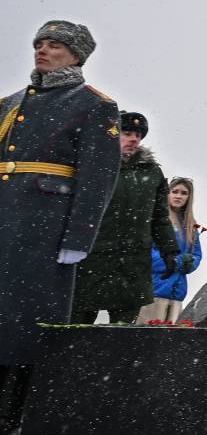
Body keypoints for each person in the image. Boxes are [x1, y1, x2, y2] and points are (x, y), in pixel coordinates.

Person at [0, 22, 123, 435]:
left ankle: (14, 419)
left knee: (28, 325)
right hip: (4, 224)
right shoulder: (9, 103)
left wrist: (78, 239)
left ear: (76, 55)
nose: (43, 50)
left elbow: (98, 179)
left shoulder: (94, 106)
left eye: (54, 45)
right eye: (39, 44)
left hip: (44, 231)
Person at [70, 112, 179, 325]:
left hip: (133, 265)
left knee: (124, 336)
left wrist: (170, 251)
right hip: (92, 262)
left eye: (138, 135)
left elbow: (160, 217)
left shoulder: (152, 172)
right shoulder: (93, 168)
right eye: (127, 133)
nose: (134, 139)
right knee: (77, 330)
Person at [142, 177, 202, 322]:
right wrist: (176, 261)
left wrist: (190, 263)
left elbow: (196, 254)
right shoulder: (156, 220)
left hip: (177, 294)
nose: (178, 196)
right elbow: (146, 253)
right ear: (167, 194)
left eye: (183, 193)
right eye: (174, 191)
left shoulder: (191, 226)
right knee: (147, 341)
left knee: (170, 342)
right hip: (155, 291)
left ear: (189, 197)